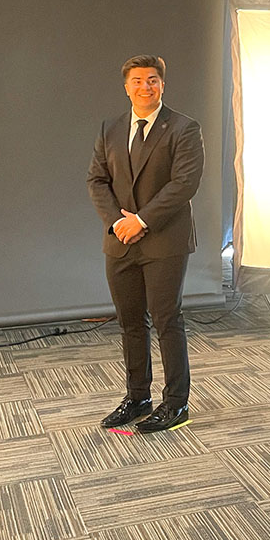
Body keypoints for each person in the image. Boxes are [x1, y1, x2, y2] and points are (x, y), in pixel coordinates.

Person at [88, 55, 204, 433]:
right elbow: (97, 181)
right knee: (130, 323)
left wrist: (141, 220)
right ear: (127, 86)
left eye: (152, 80)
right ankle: (137, 397)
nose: (145, 86)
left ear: (162, 85)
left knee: (167, 321)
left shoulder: (184, 128)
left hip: (164, 241)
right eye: (137, 80)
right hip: (120, 241)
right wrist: (118, 222)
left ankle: (176, 405)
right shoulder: (110, 128)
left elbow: (184, 184)